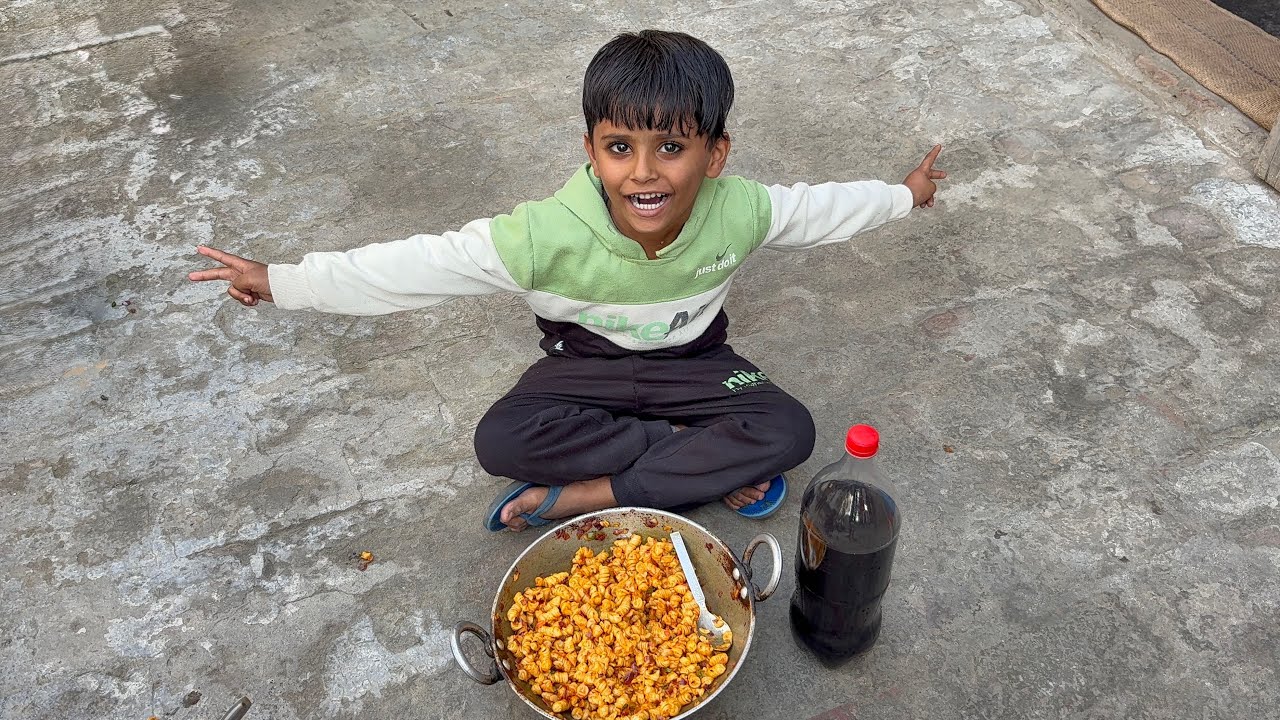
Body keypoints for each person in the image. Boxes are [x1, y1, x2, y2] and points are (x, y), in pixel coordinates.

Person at [189, 29, 946, 532]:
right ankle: (690, 456)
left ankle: (597, 494)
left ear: (715, 155)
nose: (643, 171)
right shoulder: (540, 235)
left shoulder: (744, 209)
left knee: (789, 430)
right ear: (591, 150)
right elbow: (412, 265)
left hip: (700, 367)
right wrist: (285, 281)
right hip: (585, 371)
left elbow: (826, 208)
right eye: (620, 146)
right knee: (501, 439)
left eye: (671, 147)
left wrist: (905, 195)